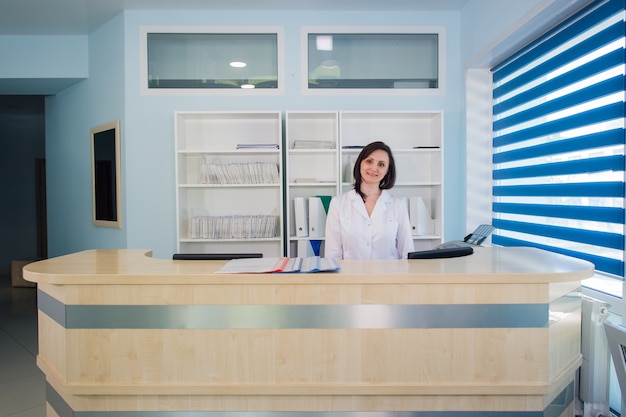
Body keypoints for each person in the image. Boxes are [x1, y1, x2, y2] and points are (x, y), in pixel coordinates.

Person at [324, 141, 415, 260]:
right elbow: (332, 255)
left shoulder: (398, 205)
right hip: (350, 277)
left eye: (381, 164)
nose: (374, 168)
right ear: (360, 163)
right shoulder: (338, 203)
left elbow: (407, 252)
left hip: (389, 276)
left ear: (387, 170)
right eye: (369, 161)